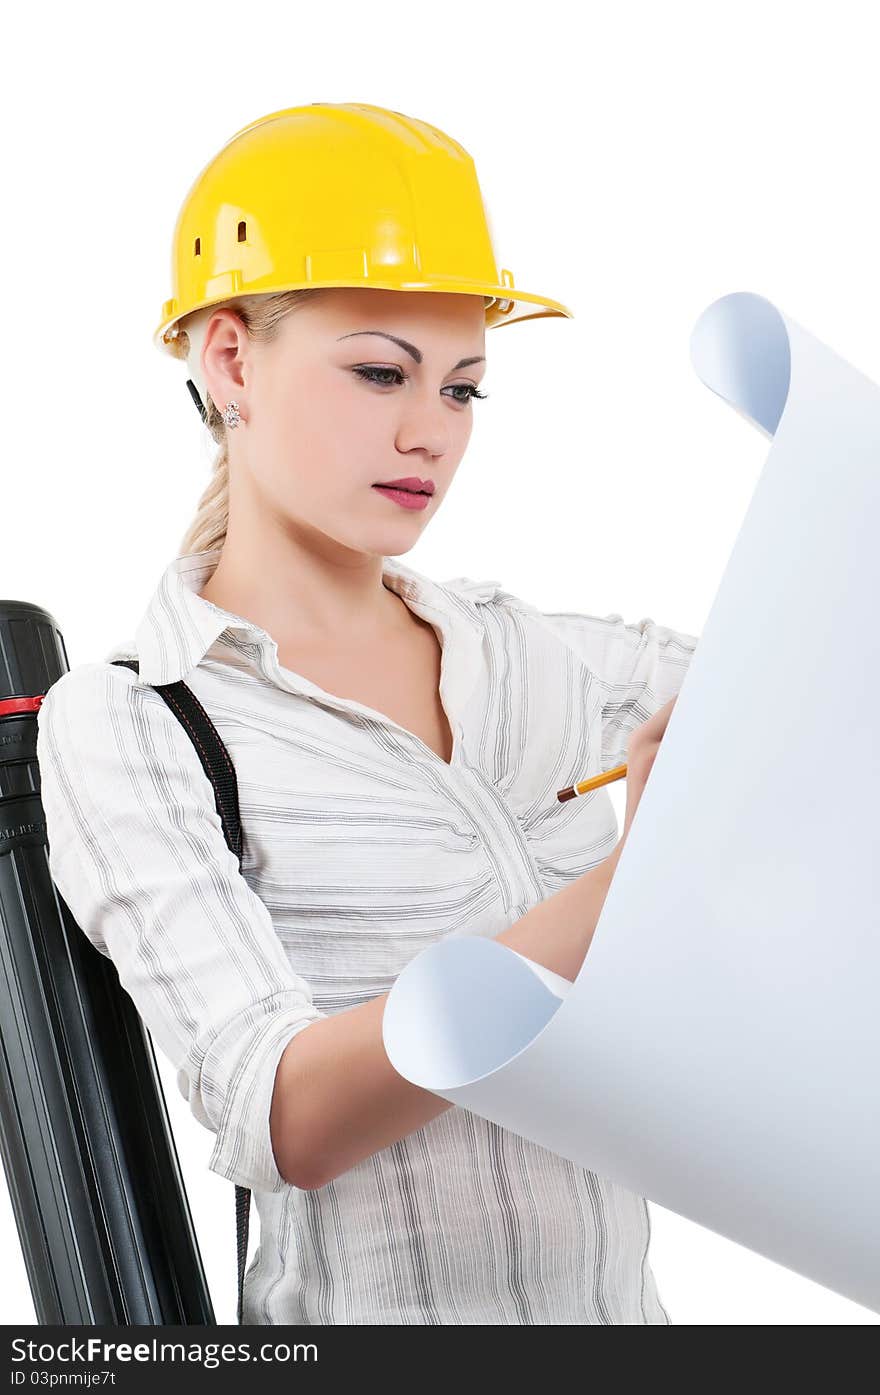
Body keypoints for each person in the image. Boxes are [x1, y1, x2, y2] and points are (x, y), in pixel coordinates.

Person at [35, 104, 698, 1324]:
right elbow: (280, 1112)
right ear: (229, 359)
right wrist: (631, 890)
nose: (428, 434)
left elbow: (805, 694)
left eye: (463, 390)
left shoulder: (540, 660)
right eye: (380, 372)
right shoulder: (141, 726)